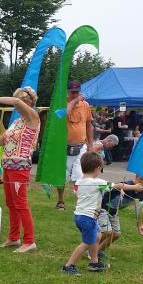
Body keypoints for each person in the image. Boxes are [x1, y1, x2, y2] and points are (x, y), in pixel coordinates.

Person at [0, 87, 40, 252]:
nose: (17, 105)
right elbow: (0, 141)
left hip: (20, 165)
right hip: (8, 164)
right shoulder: (17, 122)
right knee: (11, 203)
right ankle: (14, 237)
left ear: (28, 102)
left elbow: (15, 101)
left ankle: (29, 241)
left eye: (21, 102)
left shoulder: (33, 117)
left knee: (20, 203)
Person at [61, 152, 110, 276]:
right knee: (87, 243)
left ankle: (94, 262)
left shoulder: (78, 182)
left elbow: (78, 196)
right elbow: (115, 186)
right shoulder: (97, 182)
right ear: (97, 168)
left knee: (98, 236)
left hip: (80, 216)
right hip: (88, 219)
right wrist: (134, 187)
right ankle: (69, 265)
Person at [97, 166, 143, 262]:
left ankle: (99, 251)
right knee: (106, 232)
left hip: (113, 212)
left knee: (116, 234)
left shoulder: (139, 193)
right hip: (103, 209)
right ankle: (92, 250)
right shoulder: (128, 185)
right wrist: (133, 187)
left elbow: (139, 208)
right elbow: (117, 186)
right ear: (140, 178)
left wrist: (139, 225)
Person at [56, 80, 93, 210]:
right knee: (62, 176)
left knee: (79, 176)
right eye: (72, 93)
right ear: (68, 92)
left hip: (81, 145)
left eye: (77, 92)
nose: (75, 94)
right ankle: (60, 200)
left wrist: (91, 145)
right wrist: (73, 101)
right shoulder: (61, 104)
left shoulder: (86, 105)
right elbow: (62, 115)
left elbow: (89, 125)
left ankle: (79, 204)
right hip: (64, 146)